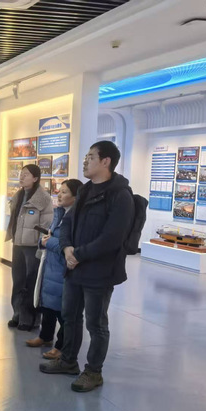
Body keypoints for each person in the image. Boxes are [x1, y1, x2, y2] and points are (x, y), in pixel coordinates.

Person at [40, 141, 135, 392]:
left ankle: (93, 371)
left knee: (96, 324)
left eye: (91, 157)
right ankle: (68, 361)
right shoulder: (85, 191)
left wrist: (78, 254)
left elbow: (112, 238)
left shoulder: (120, 196)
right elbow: (68, 223)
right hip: (75, 268)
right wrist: (67, 248)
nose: (85, 161)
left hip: (100, 272)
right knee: (70, 316)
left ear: (106, 161)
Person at [26, 179, 83, 359]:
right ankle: (45, 336)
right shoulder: (59, 213)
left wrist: (48, 242)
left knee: (62, 310)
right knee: (48, 305)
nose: (59, 195)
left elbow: (70, 247)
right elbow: (49, 236)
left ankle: (61, 346)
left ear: (75, 197)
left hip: (64, 269)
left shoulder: (78, 218)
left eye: (64, 192)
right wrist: (43, 241)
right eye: (60, 191)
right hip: (50, 266)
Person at [6, 164, 54, 331]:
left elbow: (46, 225)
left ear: (35, 178)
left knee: (31, 282)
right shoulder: (18, 195)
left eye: (26, 174)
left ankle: (30, 319)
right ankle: (17, 314)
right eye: (21, 173)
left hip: (33, 246)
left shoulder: (43, 198)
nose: (22, 177)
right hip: (18, 244)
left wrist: (41, 246)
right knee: (18, 281)